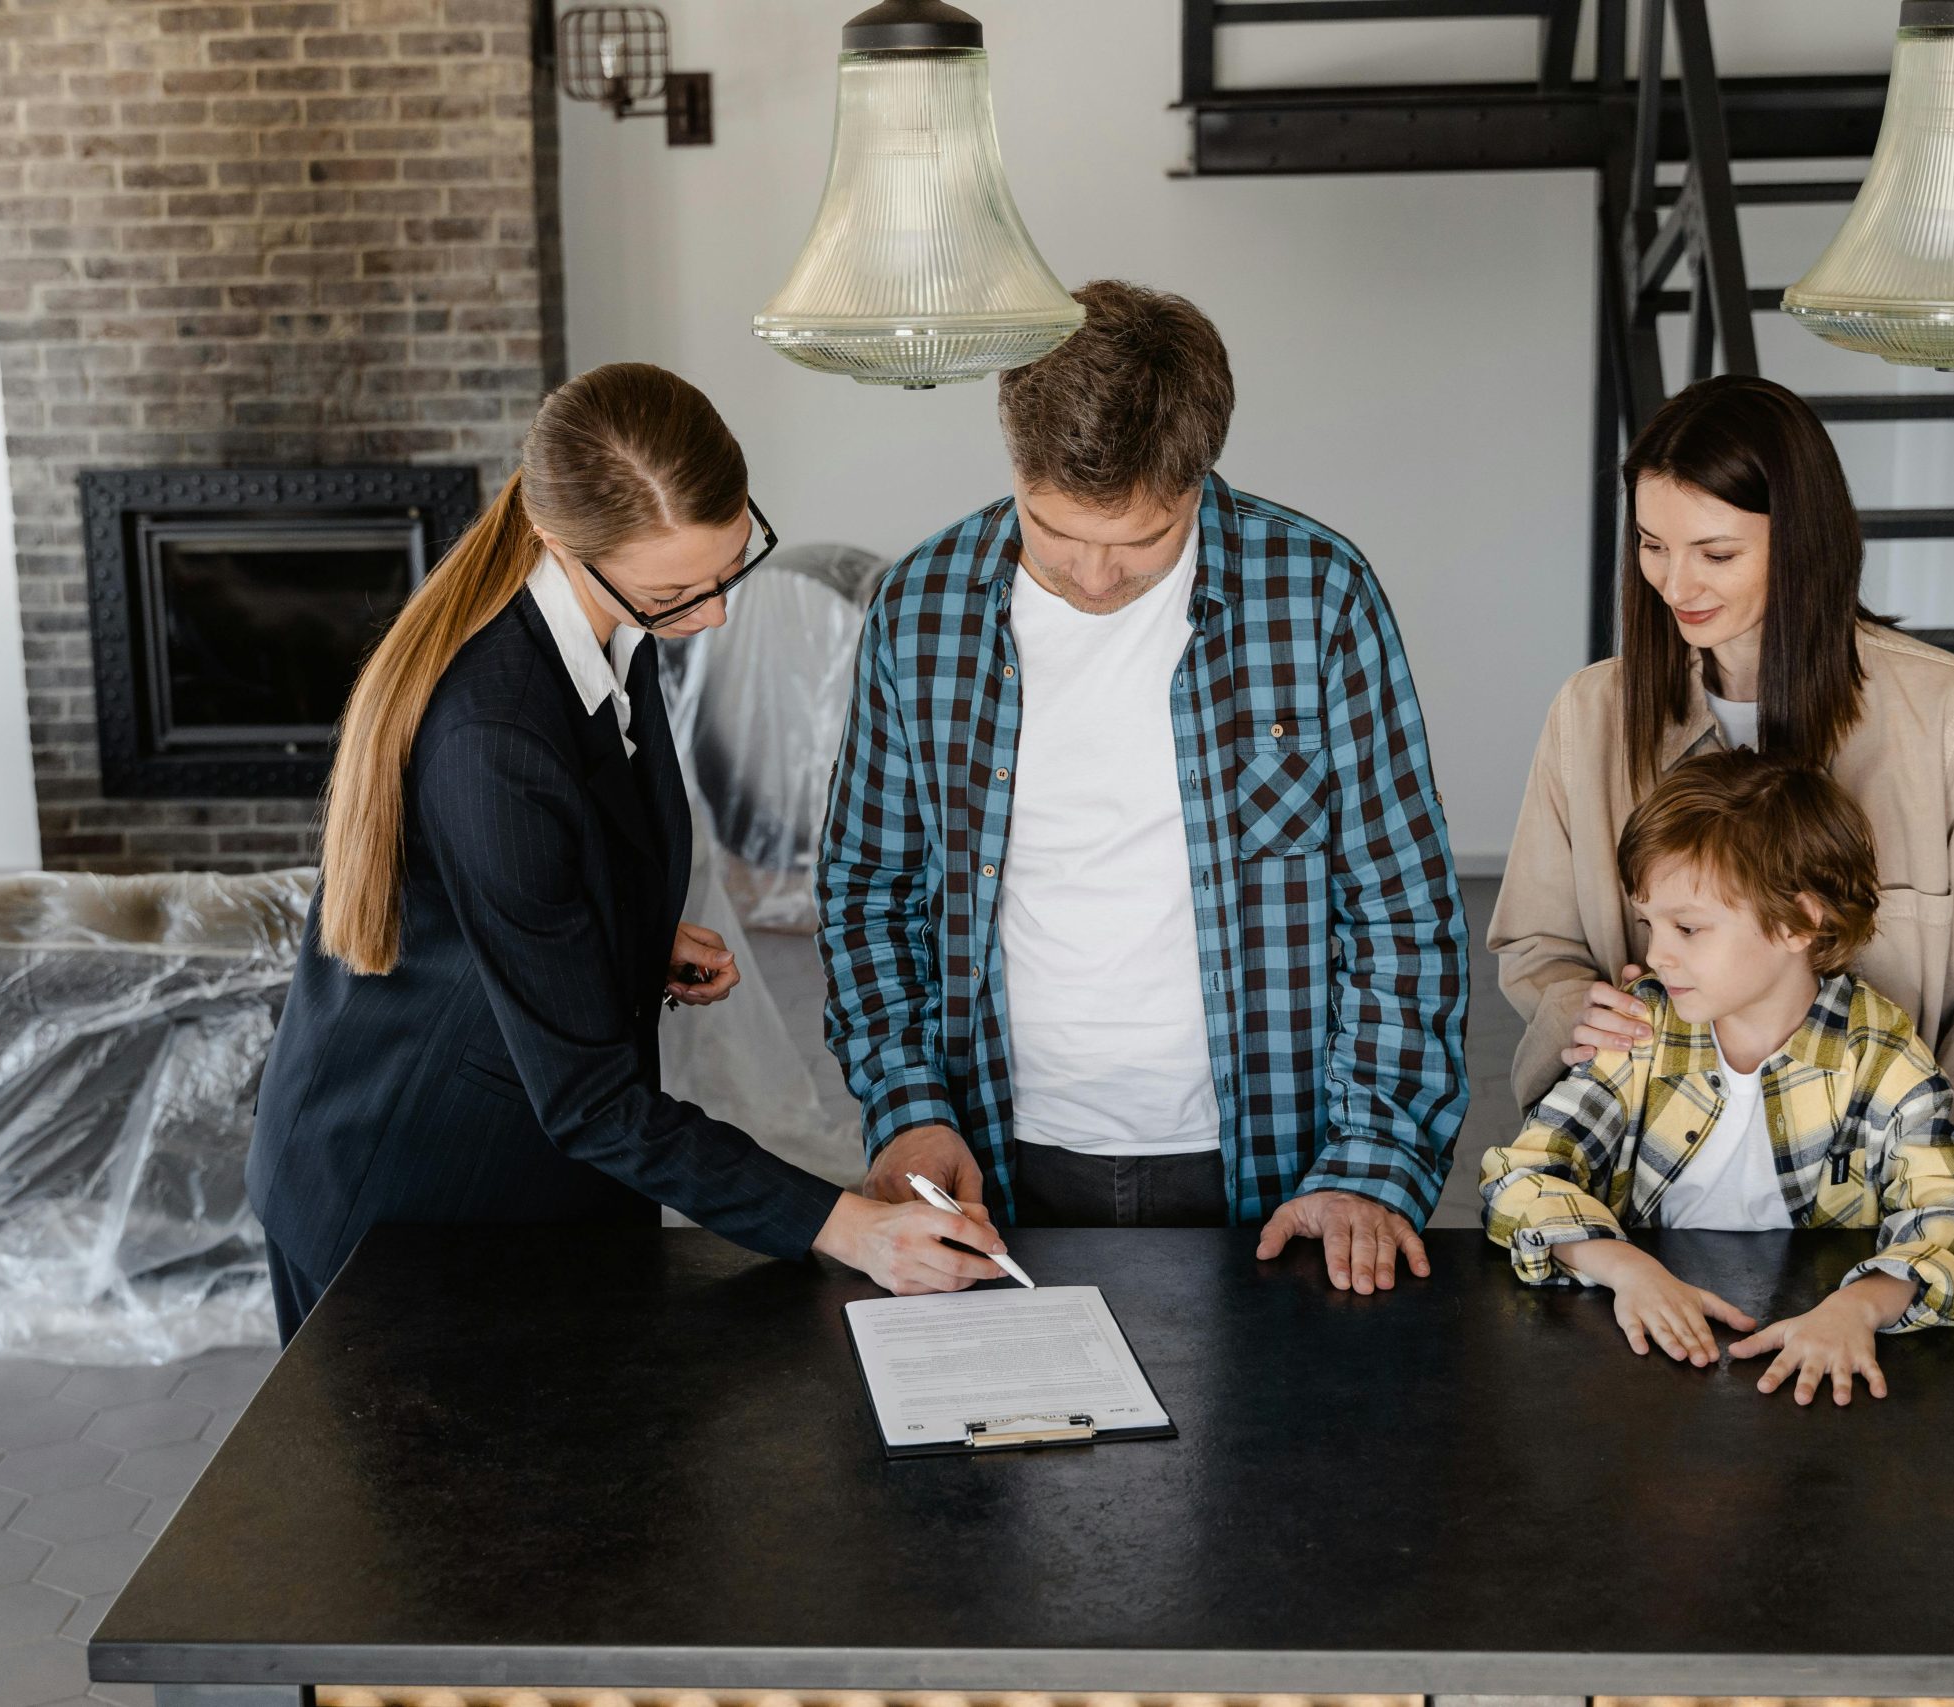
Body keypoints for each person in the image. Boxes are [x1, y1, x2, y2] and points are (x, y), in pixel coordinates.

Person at [245, 363, 1011, 1342]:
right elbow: (588, 1101)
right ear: (568, 546)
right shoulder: (493, 736)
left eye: (733, 563)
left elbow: (531, 870)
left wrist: (614, 939)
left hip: (513, 1178)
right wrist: (846, 1226)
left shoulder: (609, 615)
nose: (716, 613)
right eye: (677, 593)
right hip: (406, 1190)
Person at [814, 280, 1470, 1294]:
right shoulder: (918, 608)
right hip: (998, 1153)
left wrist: (1373, 1162)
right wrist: (906, 1105)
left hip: (1269, 1163)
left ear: (1198, 479)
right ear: (1014, 463)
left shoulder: (1318, 595)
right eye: (1054, 531)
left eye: (1139, 544)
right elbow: (868, 892)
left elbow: (1398, 907)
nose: (1092, 578)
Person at [1490, 373, 1954, 1207]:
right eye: (1652, 545)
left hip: (1880, 1201)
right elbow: (1536, 946)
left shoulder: (1953, 718)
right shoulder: (1589, 715)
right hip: (1649, 1189)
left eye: (1715, 553)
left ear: (1801, 540)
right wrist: (1579, 1007)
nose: (1676, 584)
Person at [1481, 750, 1954, 1406]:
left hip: (1812, 1372)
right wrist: (1626, 1269)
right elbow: (1521, 1175)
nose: (1655, 953)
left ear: (1799, 921)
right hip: (1649, 1365)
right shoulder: (1639, 1029)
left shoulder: (1880, 1054)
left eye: (1688, 926)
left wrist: (1858, 1307)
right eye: (1650, 922)